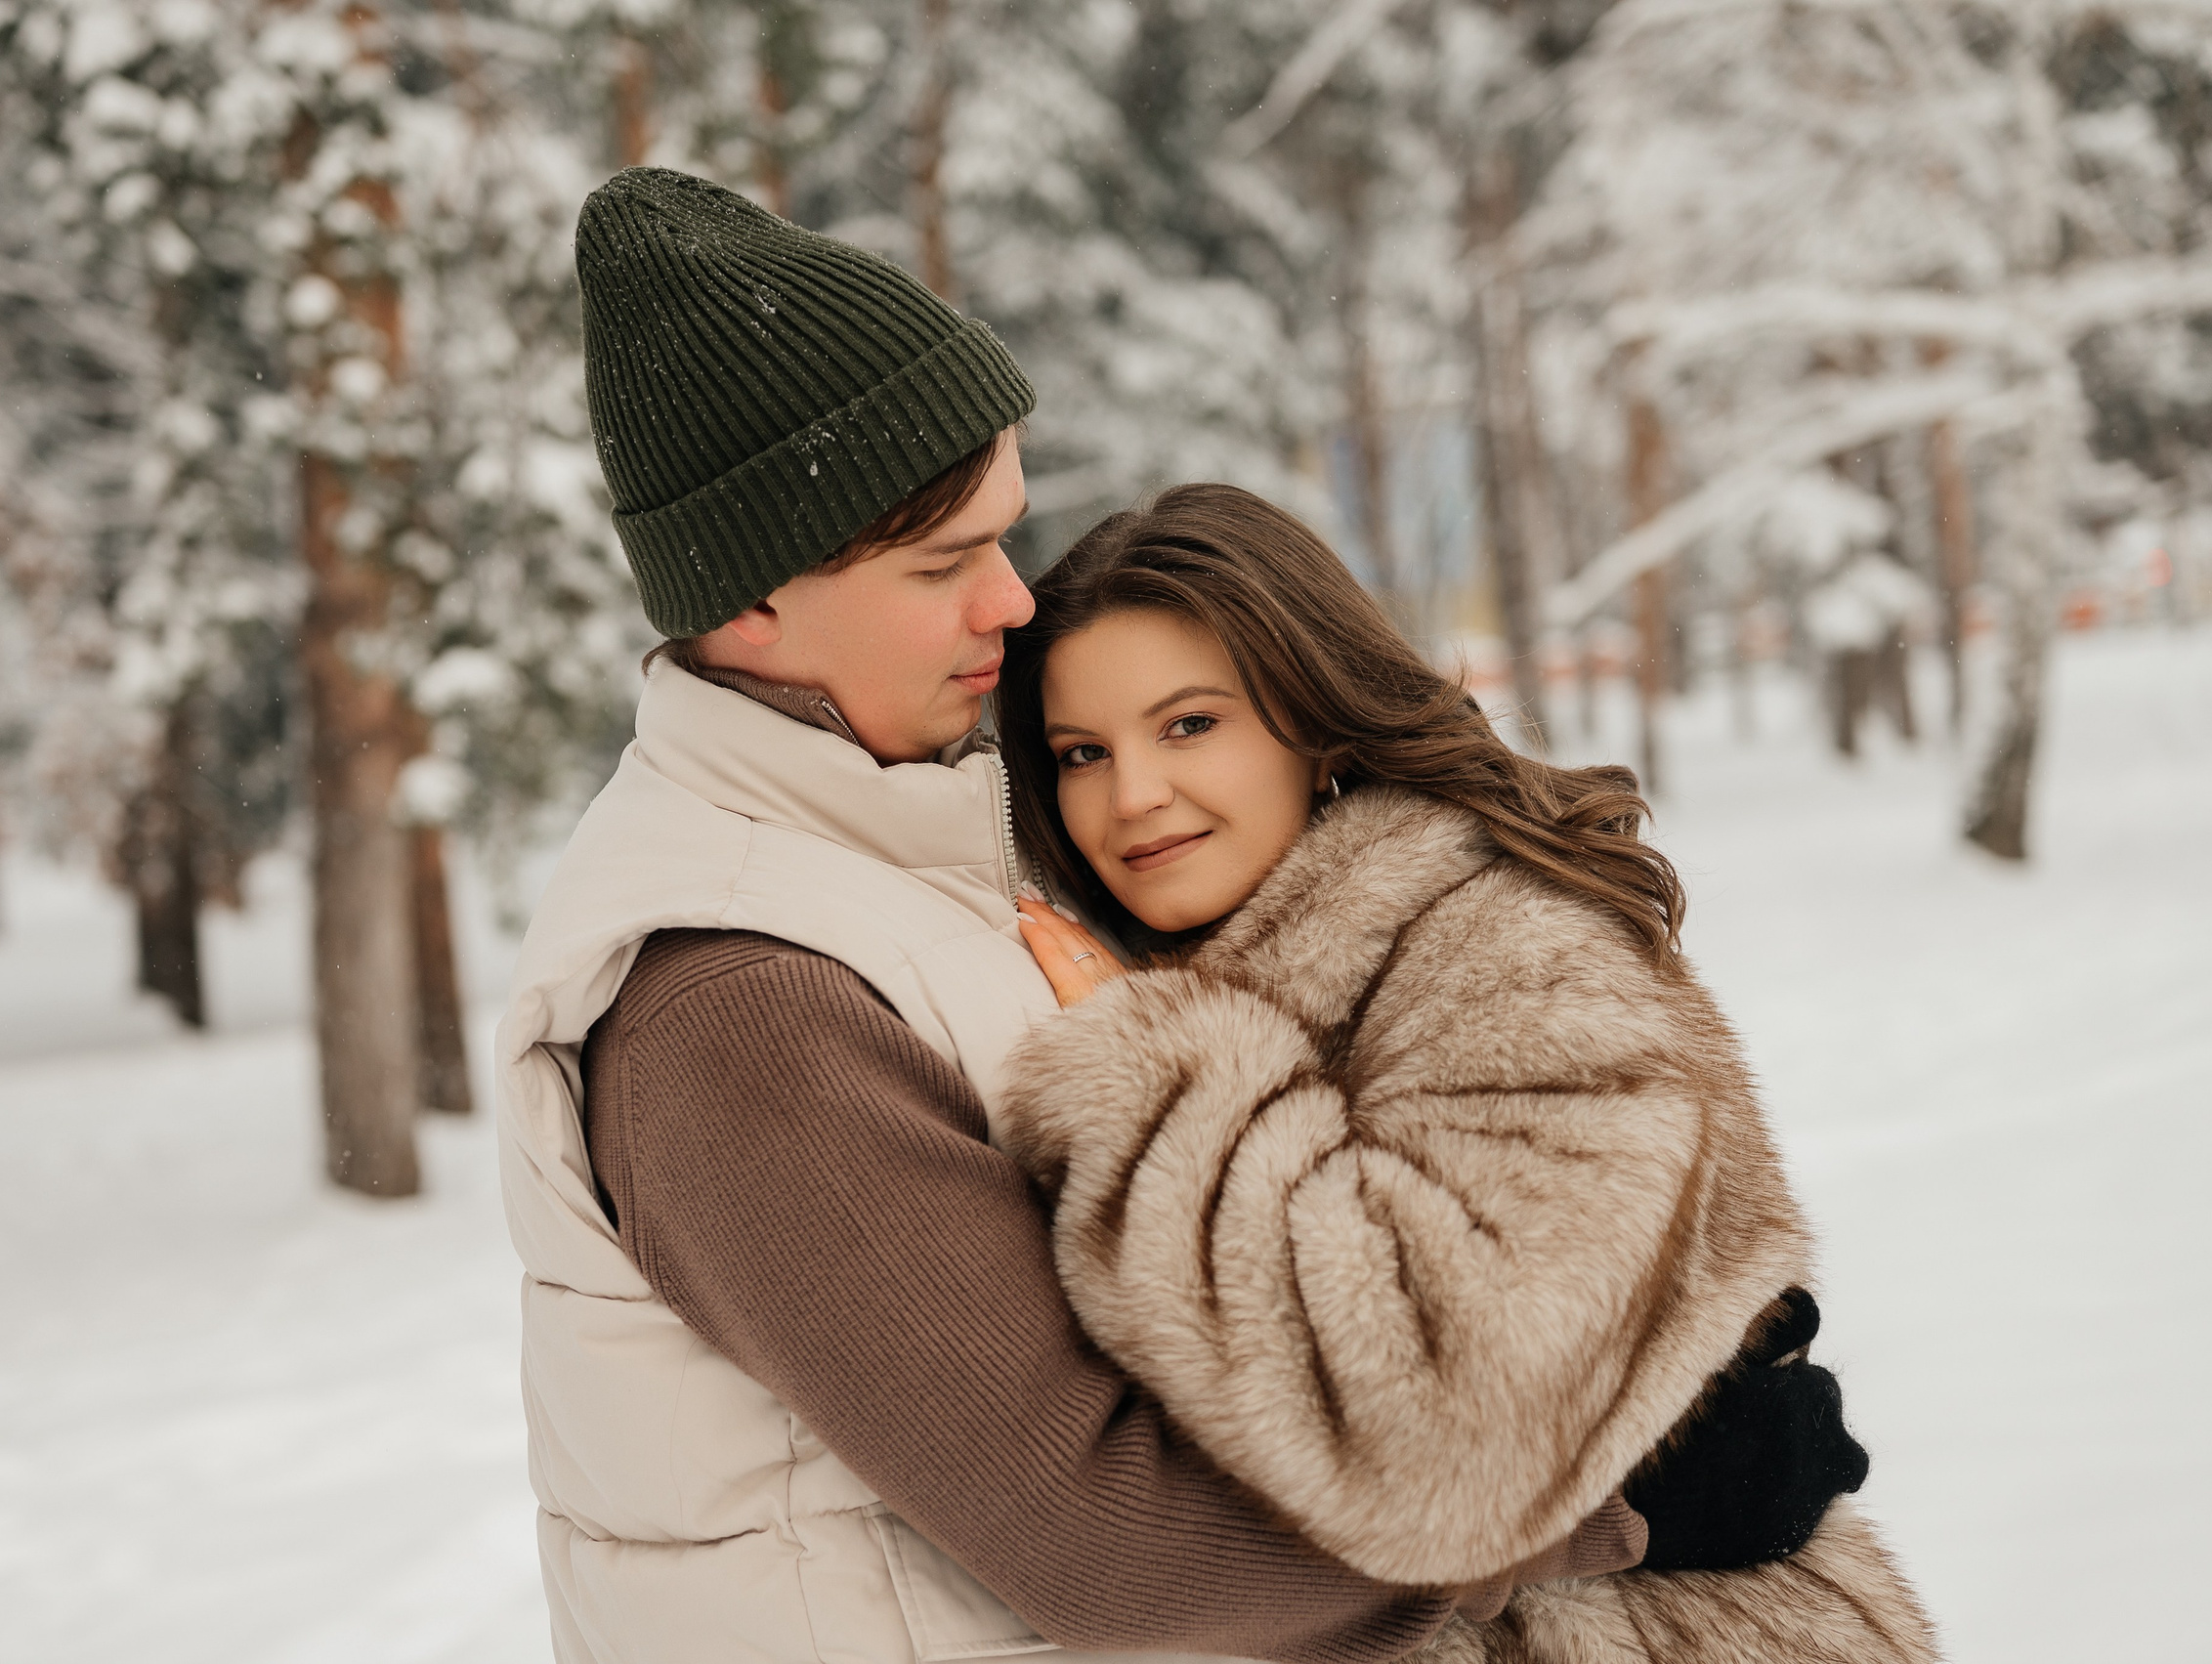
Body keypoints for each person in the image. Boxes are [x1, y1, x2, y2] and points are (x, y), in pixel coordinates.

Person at [500, 167, 1851, 1664]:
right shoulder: (739, 992)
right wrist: (1631, 1500)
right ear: (751, 599)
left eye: (1007, 537)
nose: (1011, 604)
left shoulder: (933, 839)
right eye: (945, 564)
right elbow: (1113, 1533)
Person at [994, 485, 1941, 1664]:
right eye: (1082, 751)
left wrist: (1156, 1083)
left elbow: (1448, 1436)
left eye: (1189, 723)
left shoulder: (1497, 945)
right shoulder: (1157, 986)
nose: (1129, 794)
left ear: (1314, 719)